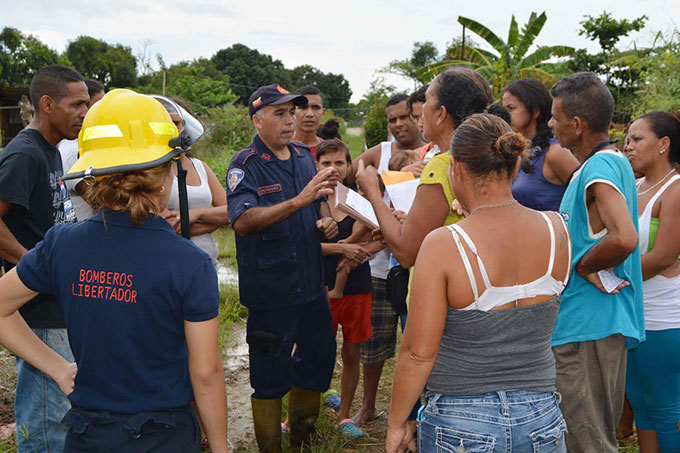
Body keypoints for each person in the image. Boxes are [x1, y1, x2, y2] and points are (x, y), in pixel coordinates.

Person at [0, 89, 228, 452]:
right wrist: (219, 446)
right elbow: (206, 374)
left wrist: (58, 368)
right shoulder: (189, 262)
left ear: (93, 173)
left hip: (87, 435)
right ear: (168, 170)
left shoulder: (62, 244)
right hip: (163, 435)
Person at [386, 113, 572, 452]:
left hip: (461, 420)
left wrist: (398, 422)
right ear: (516, 167)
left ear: (454, 167)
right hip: (541, 416)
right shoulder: (556, 229)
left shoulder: (445, 244)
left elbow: (417, 353)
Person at [353, 69, 491, 428]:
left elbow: (406, 251)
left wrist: (372, 192)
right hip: (480, 302)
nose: (419, 114)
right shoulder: (486, 157)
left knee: (444, 410)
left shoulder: (444, 165)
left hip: (443, 309)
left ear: (442, 113)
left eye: (426, 104)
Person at [227, 83, 338, 452]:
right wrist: (300, 200)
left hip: (309, 286)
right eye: (280, 113)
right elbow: (242, 221)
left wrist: (325, 217)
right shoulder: (246, 164)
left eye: (292, 112)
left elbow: (317, 201)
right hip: (272, 292)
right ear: (258, 120)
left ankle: (302, 439)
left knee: (317, 362)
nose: (290, 120)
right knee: (270, 375)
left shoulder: (304, 157)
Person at [549, 72, 645, 453]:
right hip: (594, 324)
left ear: (577, 124)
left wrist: (583, 266)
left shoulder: (598, 168)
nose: (551, 125)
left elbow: (624, 237)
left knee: (587, 440)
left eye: (555, 117)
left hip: (587, 326)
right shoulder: (612, 162)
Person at [0, 65, 87, 452]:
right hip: (38, 311)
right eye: (78, 104)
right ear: (48, 104)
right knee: (48, 415)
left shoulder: (50, 151)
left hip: (57, 304)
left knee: (61, 406)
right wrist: (36, 266)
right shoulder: (25, 154)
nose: (85, 112)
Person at [316, 138, 382, 438]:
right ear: (316, 166)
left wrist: (360, 252)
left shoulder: (359, 200)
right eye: (325, 163)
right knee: (318, 352)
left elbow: (381, 237)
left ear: (348, 166)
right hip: (320, 288)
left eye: (339, 163)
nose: (332, 169)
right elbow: (303, 248)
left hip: (358, 287)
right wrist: (339, 249)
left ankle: (344, 416)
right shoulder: (310, 200)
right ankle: (308, 411)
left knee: (353, 352)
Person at [623, 111, 680, 452]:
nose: (628, 146)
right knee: (640, 402)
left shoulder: (675, 190)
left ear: (663, 144)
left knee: (665, 404)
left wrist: (611, 274)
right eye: (627, 139)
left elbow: (663, 257)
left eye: (637, 139)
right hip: (632, 311)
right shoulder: (635, 186)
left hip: (664, 314)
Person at [159, 97, 228, 269]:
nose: (176, 129)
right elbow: (169, 227)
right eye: (169, 123)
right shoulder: (155, 170)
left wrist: (195, 214)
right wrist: (214, 221)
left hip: (207, 262)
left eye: (179, 123)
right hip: (170, 264)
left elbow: (232, 211)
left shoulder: (200, 167)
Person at [502, 78, 579, 211]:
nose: (505, 116)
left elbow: (588, 196)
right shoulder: (513, 154)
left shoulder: (555, 153)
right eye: (504, 109)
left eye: (511, 108)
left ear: (535, 111)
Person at [58, 78, 105, 221]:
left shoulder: (83, 145)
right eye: (99, 106)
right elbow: (102, 203)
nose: (105, 111)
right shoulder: (74, 151)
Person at [293, 85, 326, 159]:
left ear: (323, 113)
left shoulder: (329, 150)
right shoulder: (280, 148)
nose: (309, 114)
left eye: (315, 108)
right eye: (303, 107)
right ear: (293, 111)